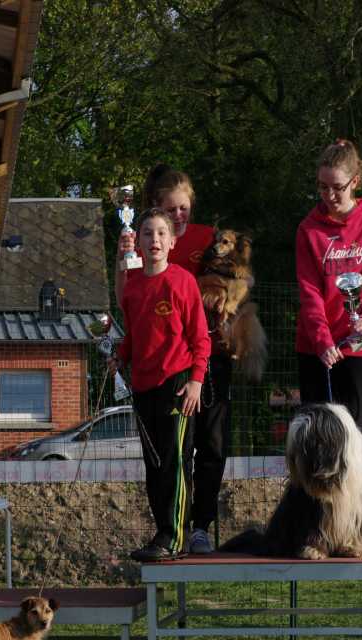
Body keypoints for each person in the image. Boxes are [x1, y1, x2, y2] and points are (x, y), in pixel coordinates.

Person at [115, 165, 226, 555]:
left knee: (177, 462)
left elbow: (200, 338)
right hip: (144, 386)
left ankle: (176, 536)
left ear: (172, 242)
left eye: (162, 233)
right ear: (138, 242)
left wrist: (196, 380)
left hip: (178, 383)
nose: (156, 239)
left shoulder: (182, 282)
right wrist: (119, 356)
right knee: (153, 465)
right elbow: (134, 334)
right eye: (148, 234)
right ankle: (162, 530)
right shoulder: (133, 287)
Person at [295, 139, 362, 444]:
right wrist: (322, 341)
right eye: (322, 187)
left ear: (355, 182)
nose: (329, 195)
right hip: (317, 351)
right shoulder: (308, 230)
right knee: (315, 445)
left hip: (358, 348)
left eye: (337, 187)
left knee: (356, 445)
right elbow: (309, 291)